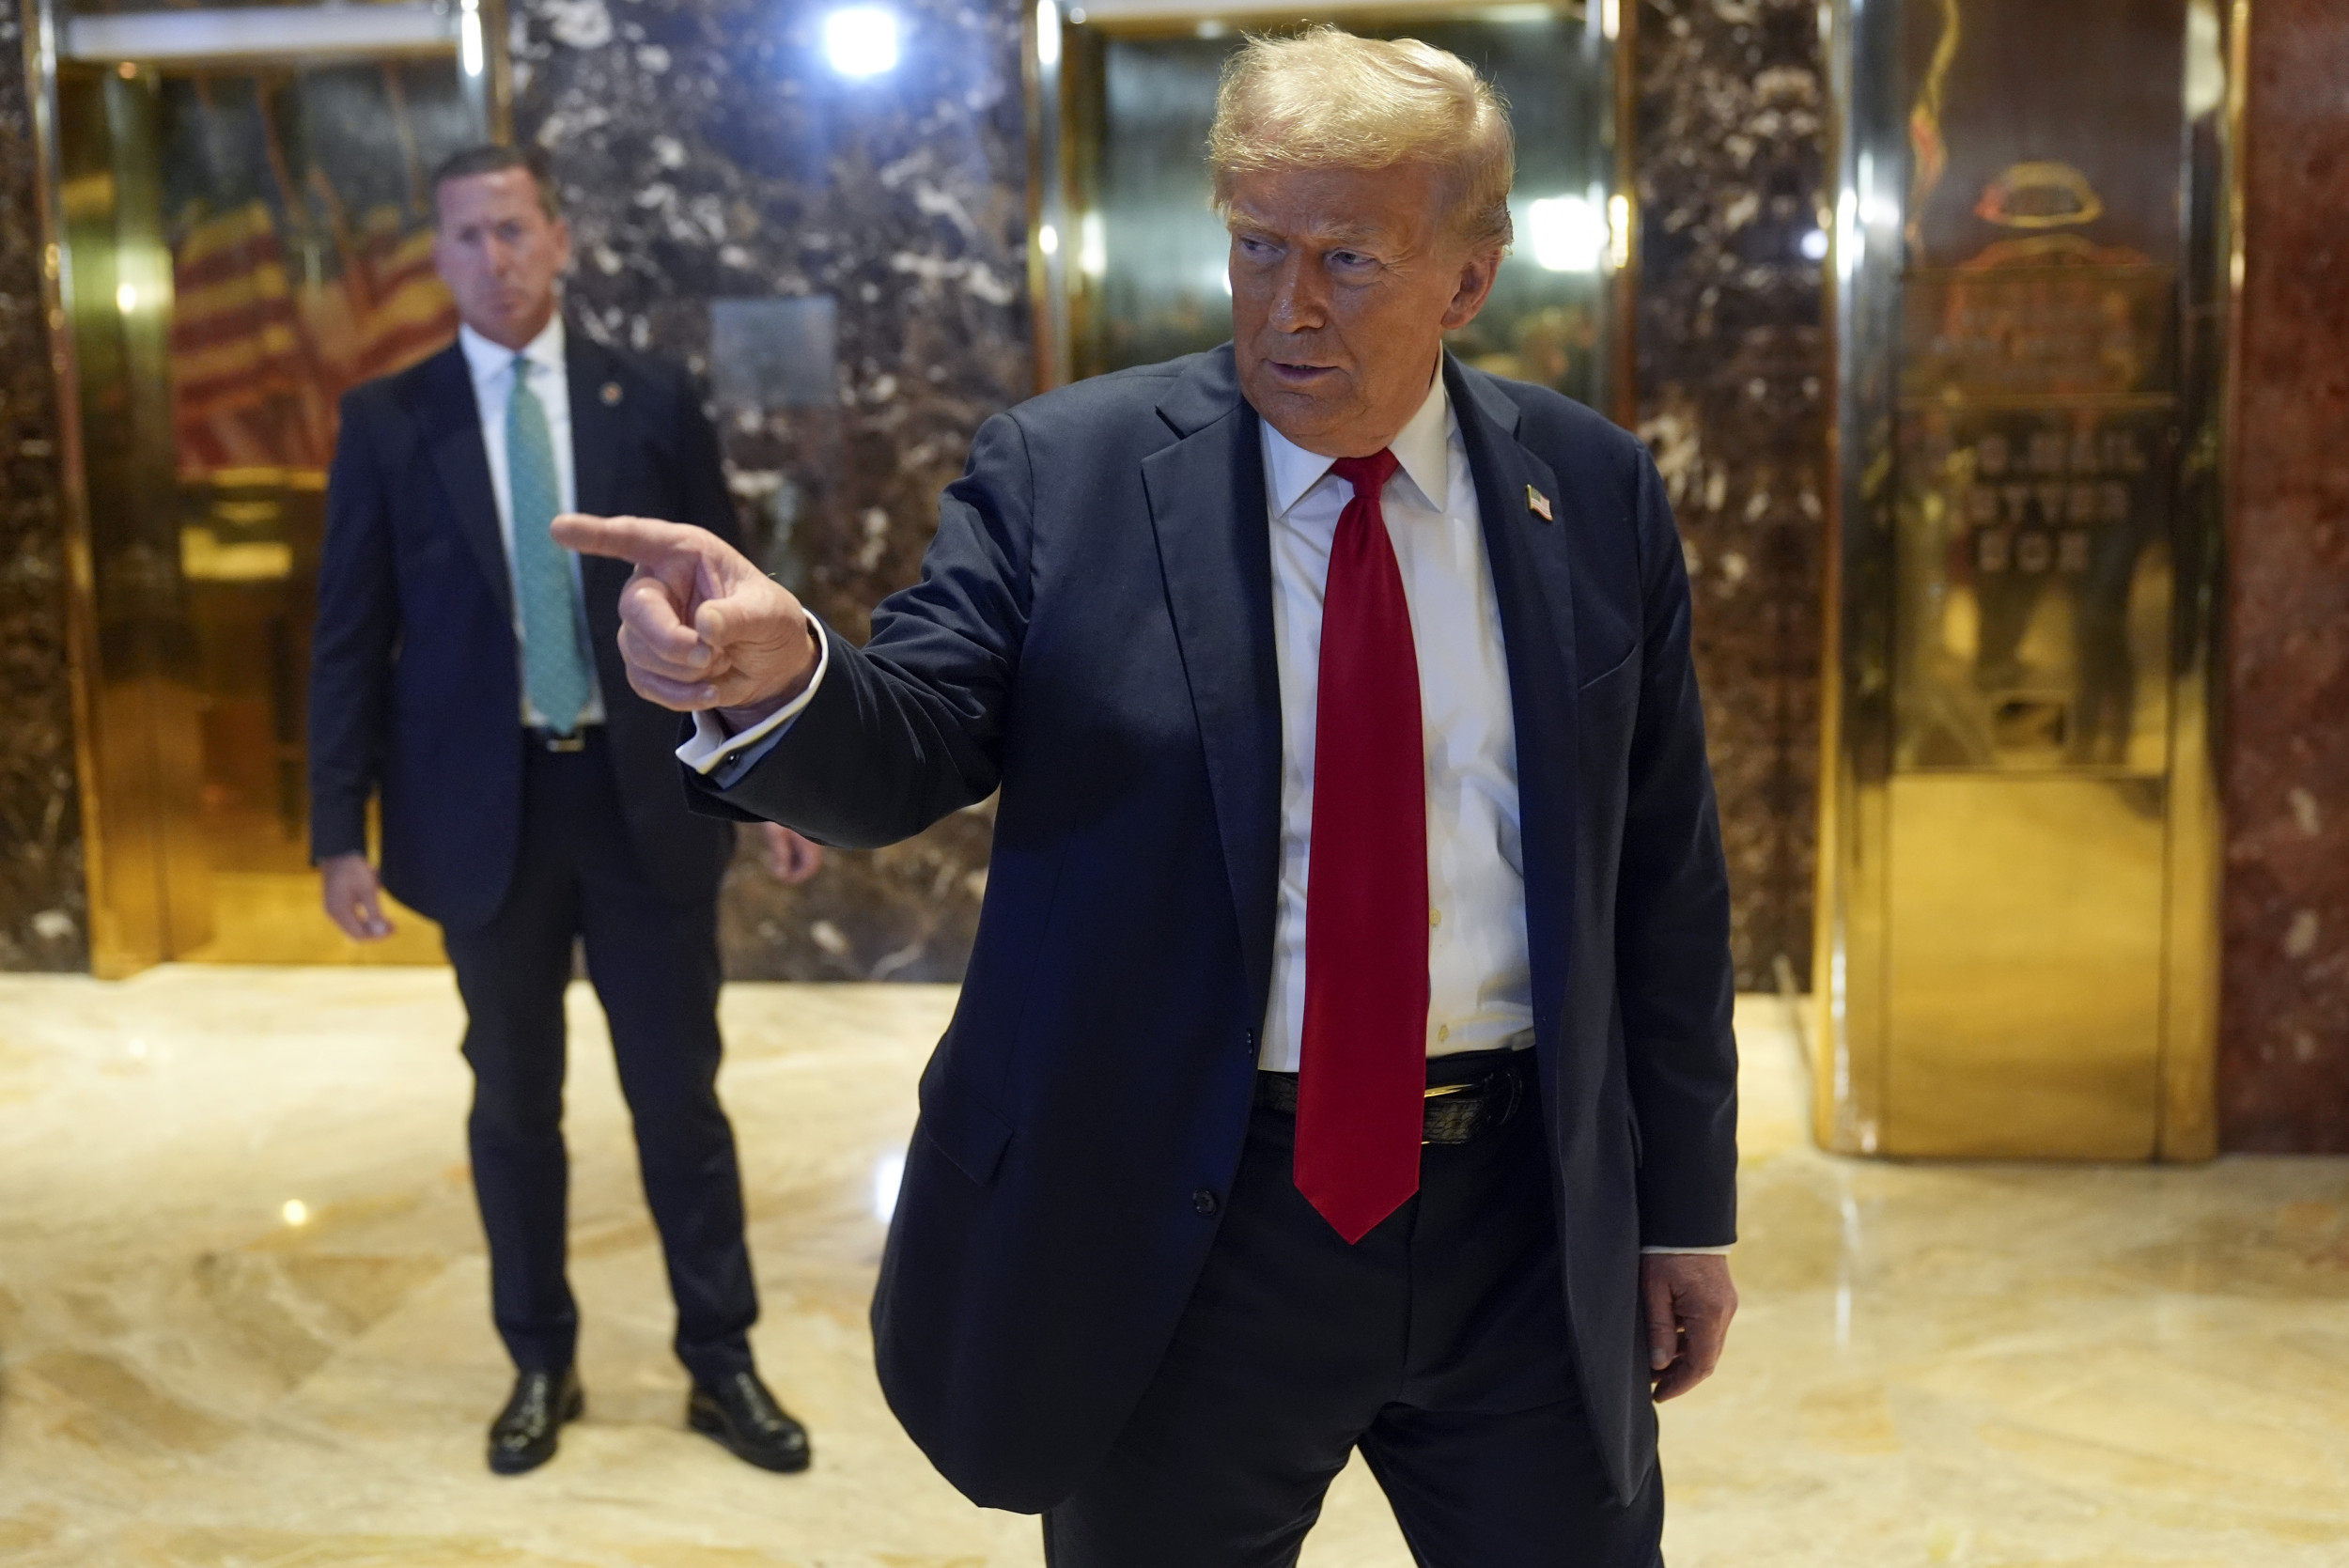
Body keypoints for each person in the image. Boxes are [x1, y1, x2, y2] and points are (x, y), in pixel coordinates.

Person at [563, 28, 1737, 1562]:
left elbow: (1663, 878)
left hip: (1521, 1222)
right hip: (1191, 1222)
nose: (1289, 306)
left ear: (1468, 277)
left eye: (1347, 260)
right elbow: (912, 732)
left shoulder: (1589, 491)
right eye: (1257, 247)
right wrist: (778, 679)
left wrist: (1681, 1210)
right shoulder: (1075, 473)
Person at [307, 145, 814, 1478]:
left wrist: (778, 768)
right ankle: (541, 1359)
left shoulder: (646, 396)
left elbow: (730, 597)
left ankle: (723, 1358)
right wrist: (333, 829)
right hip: (486, 817)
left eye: (515, 228)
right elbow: (348, 639)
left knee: (679, 1098)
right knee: (513, 1101)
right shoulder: (388, 418)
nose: (496, 256)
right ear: (440, 256)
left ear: (563, 237)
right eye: (466, 236)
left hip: (646, 800)